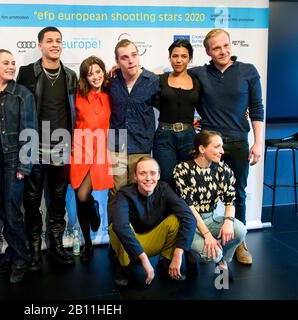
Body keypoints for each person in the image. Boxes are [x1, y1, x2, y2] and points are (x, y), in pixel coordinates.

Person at [189, 28, 264, 265]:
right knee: (202, 194)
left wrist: (258, 143)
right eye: (216, 48)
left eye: (226, 46)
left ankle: (240, 245)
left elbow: (257, 108)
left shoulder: (248, 71)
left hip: (239, 143)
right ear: (208, 51)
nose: (223, 51)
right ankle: (203, 240)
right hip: (208, 146)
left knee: (238, 194)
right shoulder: (199, 73)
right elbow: (173, 83)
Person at [17, 26, 78, 270]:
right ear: (40, 45)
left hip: (62, 147)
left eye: (58, 41)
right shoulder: (26, 73)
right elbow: (12, 100)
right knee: (31, 202)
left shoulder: (71, 75)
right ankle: (33, 249)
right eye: (50, 41)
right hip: (33, 146)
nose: (55, 44)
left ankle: (55, 246)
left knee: (58, 200)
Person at [0, 49, 37, 283]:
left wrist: (24, 165)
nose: (11, 66)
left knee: (12, 210)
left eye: (13, 63)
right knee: (0, 208)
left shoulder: (22, 94)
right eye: (5, 63)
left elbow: (30, 131)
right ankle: (12, 251)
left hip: (14, 159)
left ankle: (21, 259)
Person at [109, 157, 196, 286]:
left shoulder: (164, 189)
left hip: (154, 240)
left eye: (153, 173)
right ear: (135, 177)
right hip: (130, 244)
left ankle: (166, 262)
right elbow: (120, 226)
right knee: (115, 227)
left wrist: (178, 254)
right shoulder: (124, 193)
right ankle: (124, 267)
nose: (148, 178)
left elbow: (189, 218)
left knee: (176, 220)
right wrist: (144, 259)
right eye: (142, 173)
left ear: (159, 175)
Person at [173, 130, 247, 279]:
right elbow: (189, 206)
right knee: (214, 254)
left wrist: (228, 222)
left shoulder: (222, 168)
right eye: (217, 146)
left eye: (222, 146)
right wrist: (207, 235)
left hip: (211, 218)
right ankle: (193, 253)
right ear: (202, 149)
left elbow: (229, 199)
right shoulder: (182, 170)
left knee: (240, 230)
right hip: (190, 222)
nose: (222, 151)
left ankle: (223, 264)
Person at [107, 39, 159, 223]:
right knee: (116, 194)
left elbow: (168, 105)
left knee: (138, 194)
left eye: (134, 55)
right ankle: (116, 241)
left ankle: (135, 239)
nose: (131, 61)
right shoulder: (110, 81)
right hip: (116, 144)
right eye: (125, 57)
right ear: (117, 61)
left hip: (141, 145)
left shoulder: (152, 81)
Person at [70, 56, 114, 263]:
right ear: (84, 77)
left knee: (82, 194)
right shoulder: (77, 93)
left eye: (98, 71)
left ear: (104, 71)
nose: (95, 76)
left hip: (100, 147)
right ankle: (88, 243)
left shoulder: (111, 92)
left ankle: (93, 206)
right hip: (80, 148)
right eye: (90, 73)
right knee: (81, 195)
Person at [152, 39, 201, 185]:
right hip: (164, 137)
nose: (179, 60)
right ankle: (168, 209)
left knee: (187, 181)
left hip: (189, 137)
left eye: (184, 56)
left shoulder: (198, 81)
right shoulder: (160, 79)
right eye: (175, 56)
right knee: (166, 180)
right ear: (169, 57)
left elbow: (212, 104)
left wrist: (243, 111)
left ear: (190, 58)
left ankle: (185, 209)